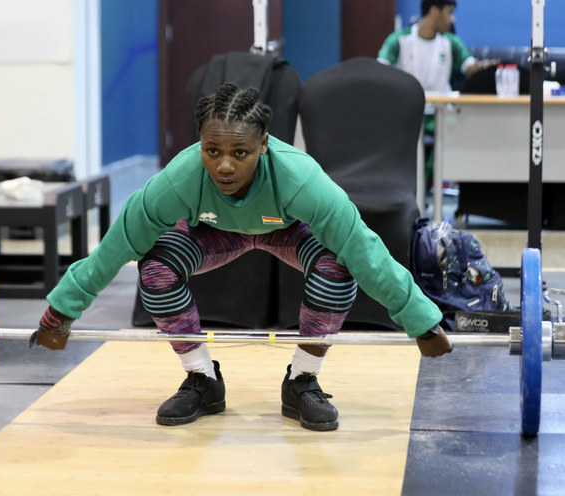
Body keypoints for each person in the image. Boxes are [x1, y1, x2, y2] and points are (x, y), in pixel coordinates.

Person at [29, 83, 452, 432]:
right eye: (212, 151)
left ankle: (302, 382)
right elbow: (119, 244)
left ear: (264, 145)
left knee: (338, 266)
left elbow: (365, 250)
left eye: (240, 153)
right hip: (214, 233)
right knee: (155, 268)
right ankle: (202, 379)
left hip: (287, 231)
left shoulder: (301, 180)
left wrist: (419, 318)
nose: (225, 167)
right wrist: (62, 309)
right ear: (200, 145)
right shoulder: (180, 178)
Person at [377, 0, 498, 186]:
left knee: (457, 132)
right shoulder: (399, 40)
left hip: (442, 115)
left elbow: (472, 68)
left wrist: (489, 67)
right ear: (434, 11)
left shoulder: (451, 42)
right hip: (409, 115)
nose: (452, 19)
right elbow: (380, 69)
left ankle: (427, 188)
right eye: (449, 12)